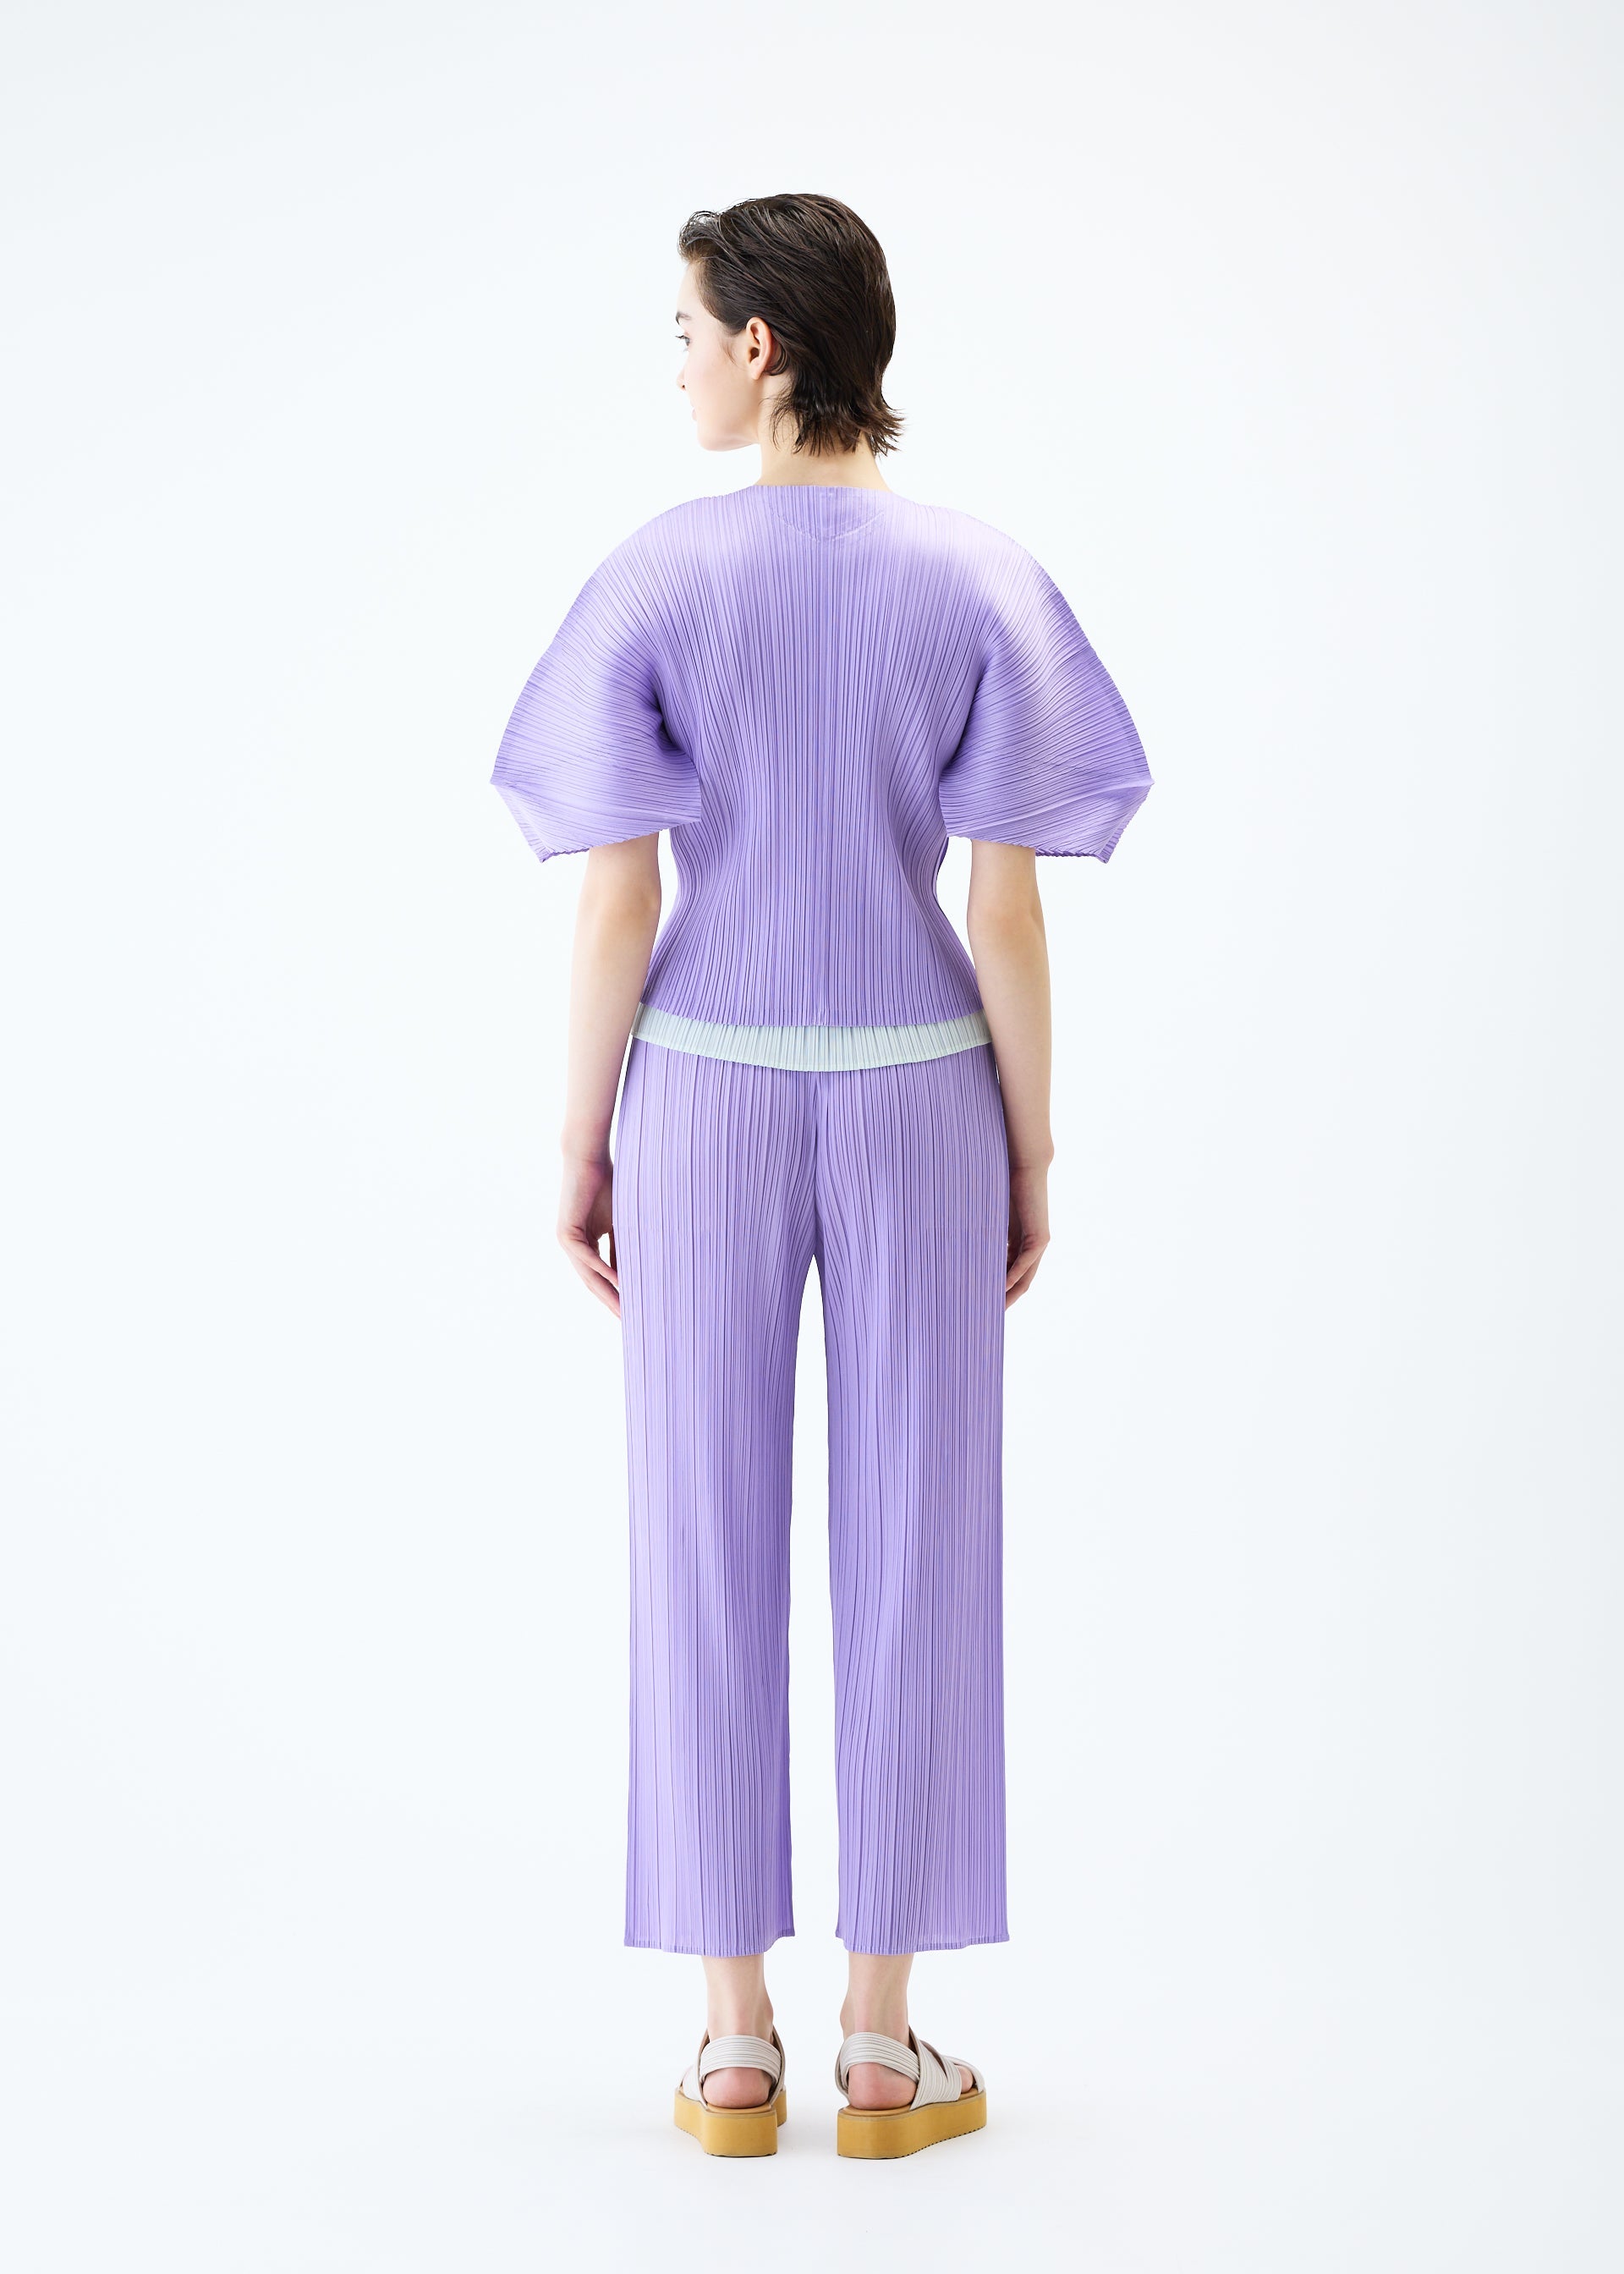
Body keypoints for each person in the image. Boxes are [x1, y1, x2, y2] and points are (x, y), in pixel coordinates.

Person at [489, 194, 1154, 2159]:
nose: (681, 366)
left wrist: (582, 1140)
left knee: (696, 1536)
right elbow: (1007, 914)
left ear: (764, 345)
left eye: (690, 333)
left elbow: (617, 903)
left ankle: (728, 2050)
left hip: (698, 1092)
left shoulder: (654, 577)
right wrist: (1029, 1147)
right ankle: (880, 2043)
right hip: (920, 1096)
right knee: (922, 1538)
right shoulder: (982, 579)